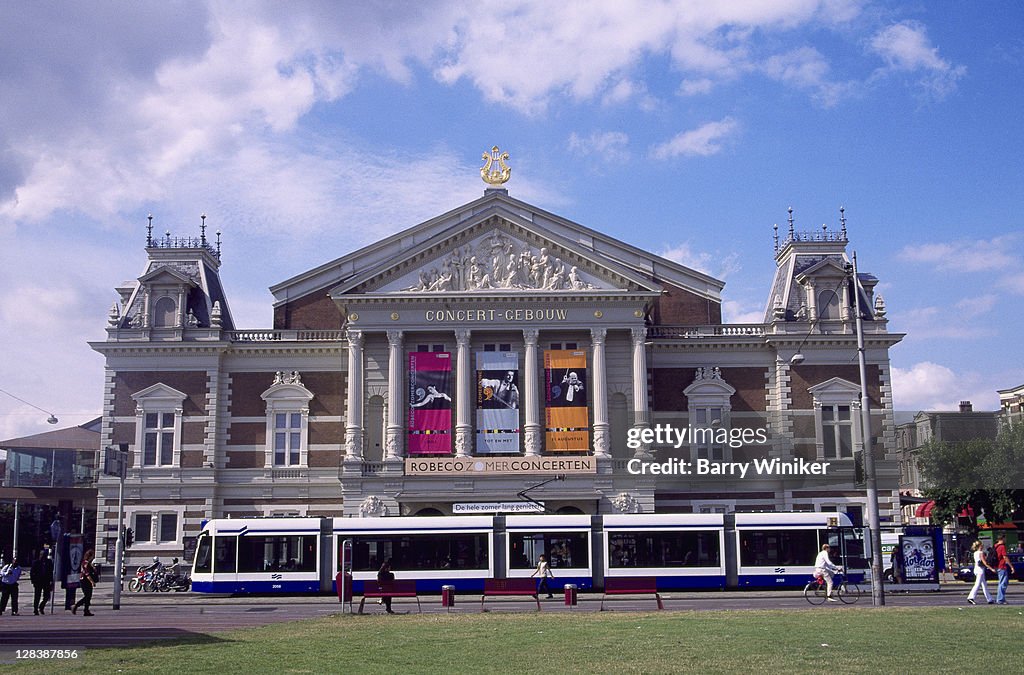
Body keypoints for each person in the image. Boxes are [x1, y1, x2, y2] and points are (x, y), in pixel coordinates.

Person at [966, 540, 995, 605]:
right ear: (980, 546)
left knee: (984, 585)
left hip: (976, 569)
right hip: (980, 570)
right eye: (982, 545)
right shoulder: (981, 553)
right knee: (977, 584)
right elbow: (984, 562)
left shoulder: (975, 553)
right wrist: (991, 569)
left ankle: (989, 599)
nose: (983, 546)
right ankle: (971, 597)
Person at [72, 549, 97, 616]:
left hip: (84, 581)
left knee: (88, 596)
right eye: (92, 556)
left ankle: (86, 610)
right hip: (85, 581)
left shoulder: (86, 563)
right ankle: (76, 605)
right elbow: (87, 574)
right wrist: (92, 582)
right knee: (87, 596)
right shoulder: (86, 563)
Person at [30, 550, 54, 615]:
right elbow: (32, 572)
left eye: (44, 555)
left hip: (46, 581)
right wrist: (33, 581)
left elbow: (51, 572)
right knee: (37, 596)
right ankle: (35, 609)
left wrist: (51, 581)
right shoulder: (36, 562)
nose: (43, 556)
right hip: (38, 582)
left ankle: (41, 606)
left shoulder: (49, 562)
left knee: (47, 596)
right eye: (41, 555)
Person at [994, 534, 1016, 605]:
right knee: (1003, 583)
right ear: (1002, 539)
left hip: (997, 566)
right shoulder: (1002, 547)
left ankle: (1000, 598)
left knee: (1001, 582)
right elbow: (1005, 557)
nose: (1006, 540)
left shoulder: (995, 546)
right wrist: (1011, 566)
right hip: (1002, 566)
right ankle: (1000, 599)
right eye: (1005, 538)